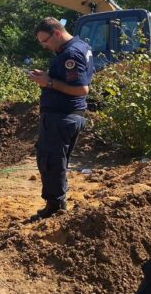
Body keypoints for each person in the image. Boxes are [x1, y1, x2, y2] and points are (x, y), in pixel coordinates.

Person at [28, 17, 94, 220]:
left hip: (61, 117)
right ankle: (57, 202)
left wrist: (48, 82)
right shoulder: (80, 45)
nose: (44, 46)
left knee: (50, 160)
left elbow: (82, 88)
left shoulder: (70, 53)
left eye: (45, 41)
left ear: (57, 33)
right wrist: (48, 76)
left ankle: (55, 206)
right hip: (68, 116)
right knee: (57, 160)